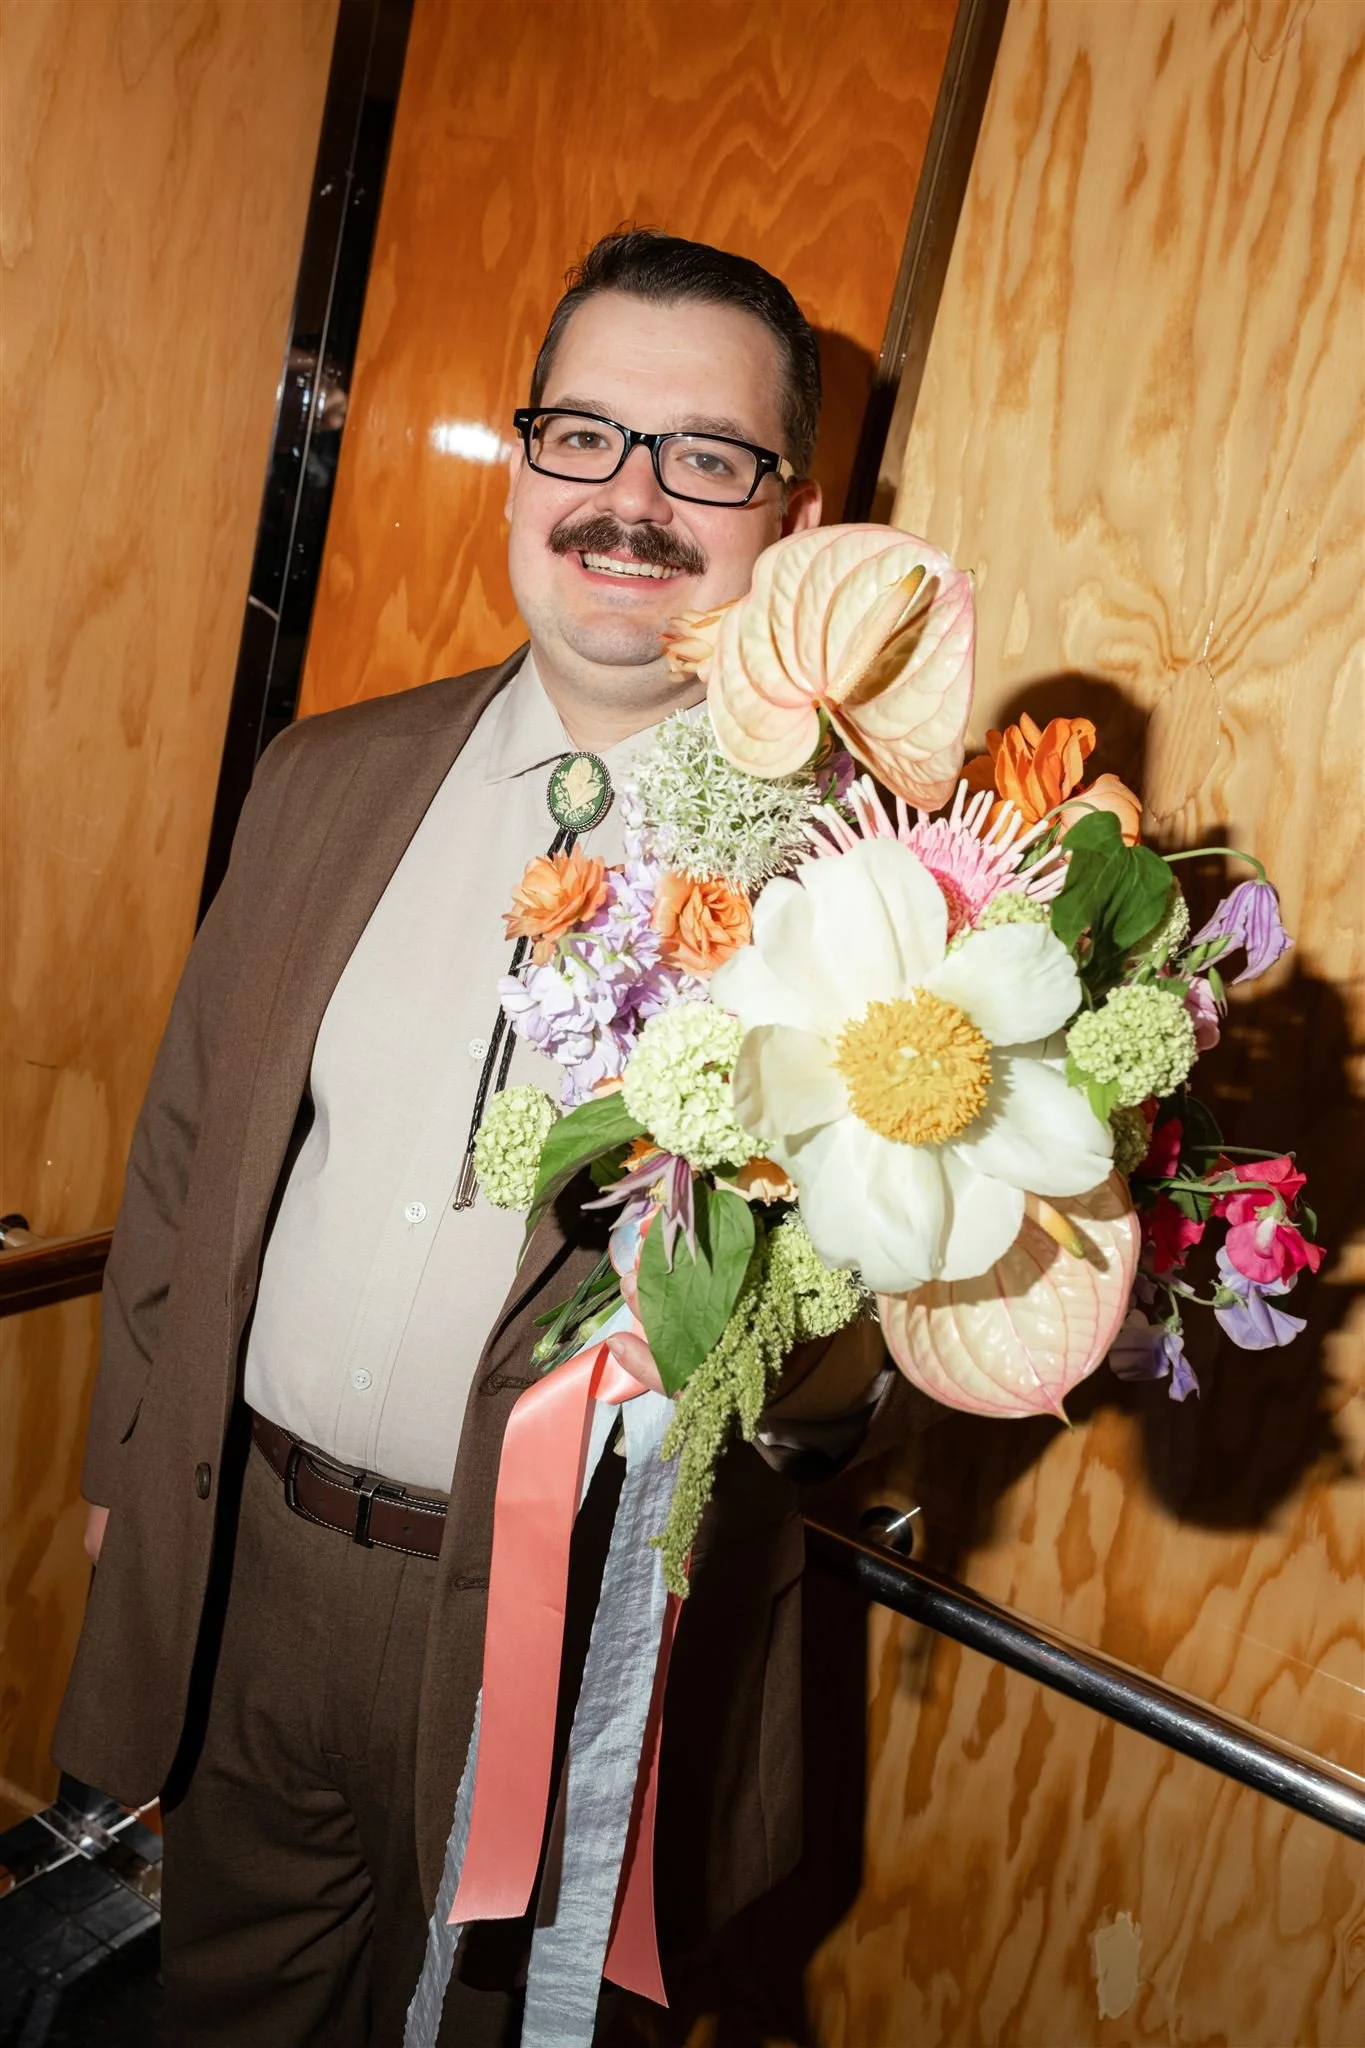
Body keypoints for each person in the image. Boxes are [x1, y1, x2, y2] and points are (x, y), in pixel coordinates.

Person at [55, 229, 897, 2047]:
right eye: (584, 435)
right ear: (521, 466)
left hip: (566, 1648)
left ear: (793, 517)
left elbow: (856, 1372)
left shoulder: (872, 892)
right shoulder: (325, 775)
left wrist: (826, 1347)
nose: (633, 500)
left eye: (708, 457)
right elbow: (192, 1155)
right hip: (253, 1581)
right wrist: (134, 1467)